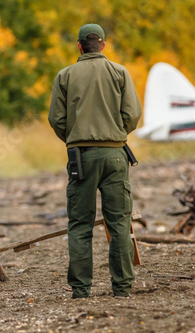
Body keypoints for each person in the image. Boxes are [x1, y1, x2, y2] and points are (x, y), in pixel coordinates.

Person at [48, 23, 142, 299]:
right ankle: (122, 288)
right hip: (115, 156)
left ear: (79, 46)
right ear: (102, 45)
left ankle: (80, 290)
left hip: (81, 157)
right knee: (119, 224)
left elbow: (57, 119)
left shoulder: (64, 76)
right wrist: (115, 134)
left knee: (80, 224)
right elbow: (133, 115)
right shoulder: (120, 72)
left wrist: (75, 136)